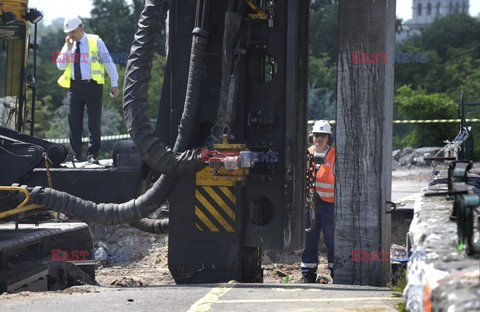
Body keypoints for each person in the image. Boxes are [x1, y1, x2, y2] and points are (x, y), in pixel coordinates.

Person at [56, 16, 119, 164]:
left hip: (93, 86)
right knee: (74, 121)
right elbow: (60, 66)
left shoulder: (96, 41)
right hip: (74, 87)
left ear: (81, 28)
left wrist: (114, 83)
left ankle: (92, 156)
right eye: (69, 32)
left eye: (73, 31)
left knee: (94, 122)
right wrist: (68, 50)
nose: (71, 35)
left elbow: (109, 63)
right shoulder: (69, 45)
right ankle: (76, 155)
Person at [301, 120, 335, 283]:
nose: (319, 138)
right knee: (309, 239)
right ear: (311, 137)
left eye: (323, 135)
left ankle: (336, 271)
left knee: (332, 239)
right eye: (316, 135)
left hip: (330, 205)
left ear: (329, 138)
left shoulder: (335, 156)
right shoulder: (306, 154)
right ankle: (308, 273)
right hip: (311, 204)